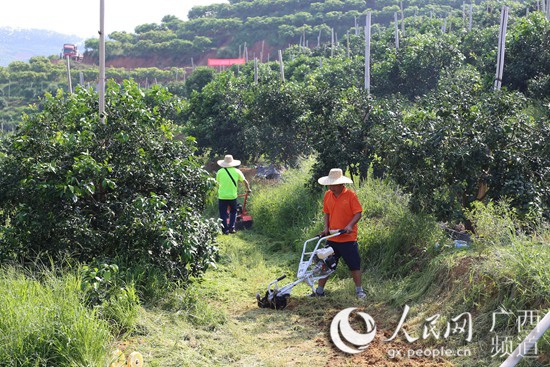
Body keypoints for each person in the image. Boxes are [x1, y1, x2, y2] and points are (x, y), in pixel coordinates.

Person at [312, 168, 366, 299]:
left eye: (333, 184)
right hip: (332, 237)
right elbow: (327, 213)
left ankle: (359, 291)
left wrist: (349, 226)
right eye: (329, 184)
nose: (330, 187)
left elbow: (358, 213)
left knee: (354, 264)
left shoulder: (350, 195)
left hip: (347, 238)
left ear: (341, 184)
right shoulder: (328, 195)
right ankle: (319, 291)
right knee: (325, 263)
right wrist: (326, 228)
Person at [216, 154, 251, 234]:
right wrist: (248, 189)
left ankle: (225, 230)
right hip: (232, 196)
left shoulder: (219, 172)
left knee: (223, 213)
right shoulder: (237, 171)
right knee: (233, 211)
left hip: (222, 196)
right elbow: (245, 181)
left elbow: (217, 183)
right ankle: (231, 227)